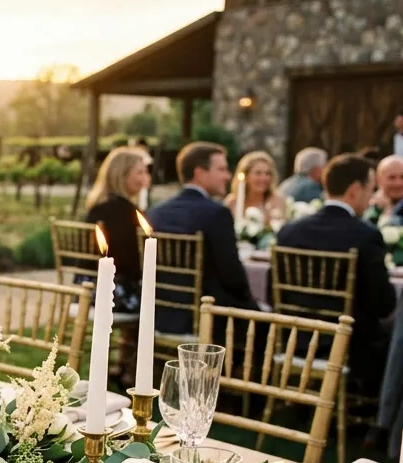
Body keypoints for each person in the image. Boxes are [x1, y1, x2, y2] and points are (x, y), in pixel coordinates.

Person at [276, 153, 394, 396]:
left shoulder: (290, 232)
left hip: (295, 337)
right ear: (354, 190)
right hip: (350, 343)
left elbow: (273, 293)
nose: (372, 198)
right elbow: (383, 304)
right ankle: (379, 416)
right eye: (370, 190)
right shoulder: (365, 235)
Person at [148, 142, 258, 333]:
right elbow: (232, 276)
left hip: (160, 312)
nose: (228, 176)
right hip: (206, 317)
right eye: (222, 169)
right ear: (200, 173)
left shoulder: (156, 212)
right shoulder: (216, 214)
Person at [84, 146, 150, 305]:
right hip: (116, 294)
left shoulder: (97, 206)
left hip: (86, 288)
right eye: (139, 172)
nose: (145, 178)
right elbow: (131, 262)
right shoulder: (126, 212)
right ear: (122, 175)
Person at [223, 150, 290, 232]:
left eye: (268, 173)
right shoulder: (232, 202)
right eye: (258, 173)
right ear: (246, 176)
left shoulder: (277, 200)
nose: (264, 178)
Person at [365, 156, 403, 225]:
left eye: (402, 177)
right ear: (378, 180)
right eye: (392, 177)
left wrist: (388, 212)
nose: (398, 183)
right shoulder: (365, 205)